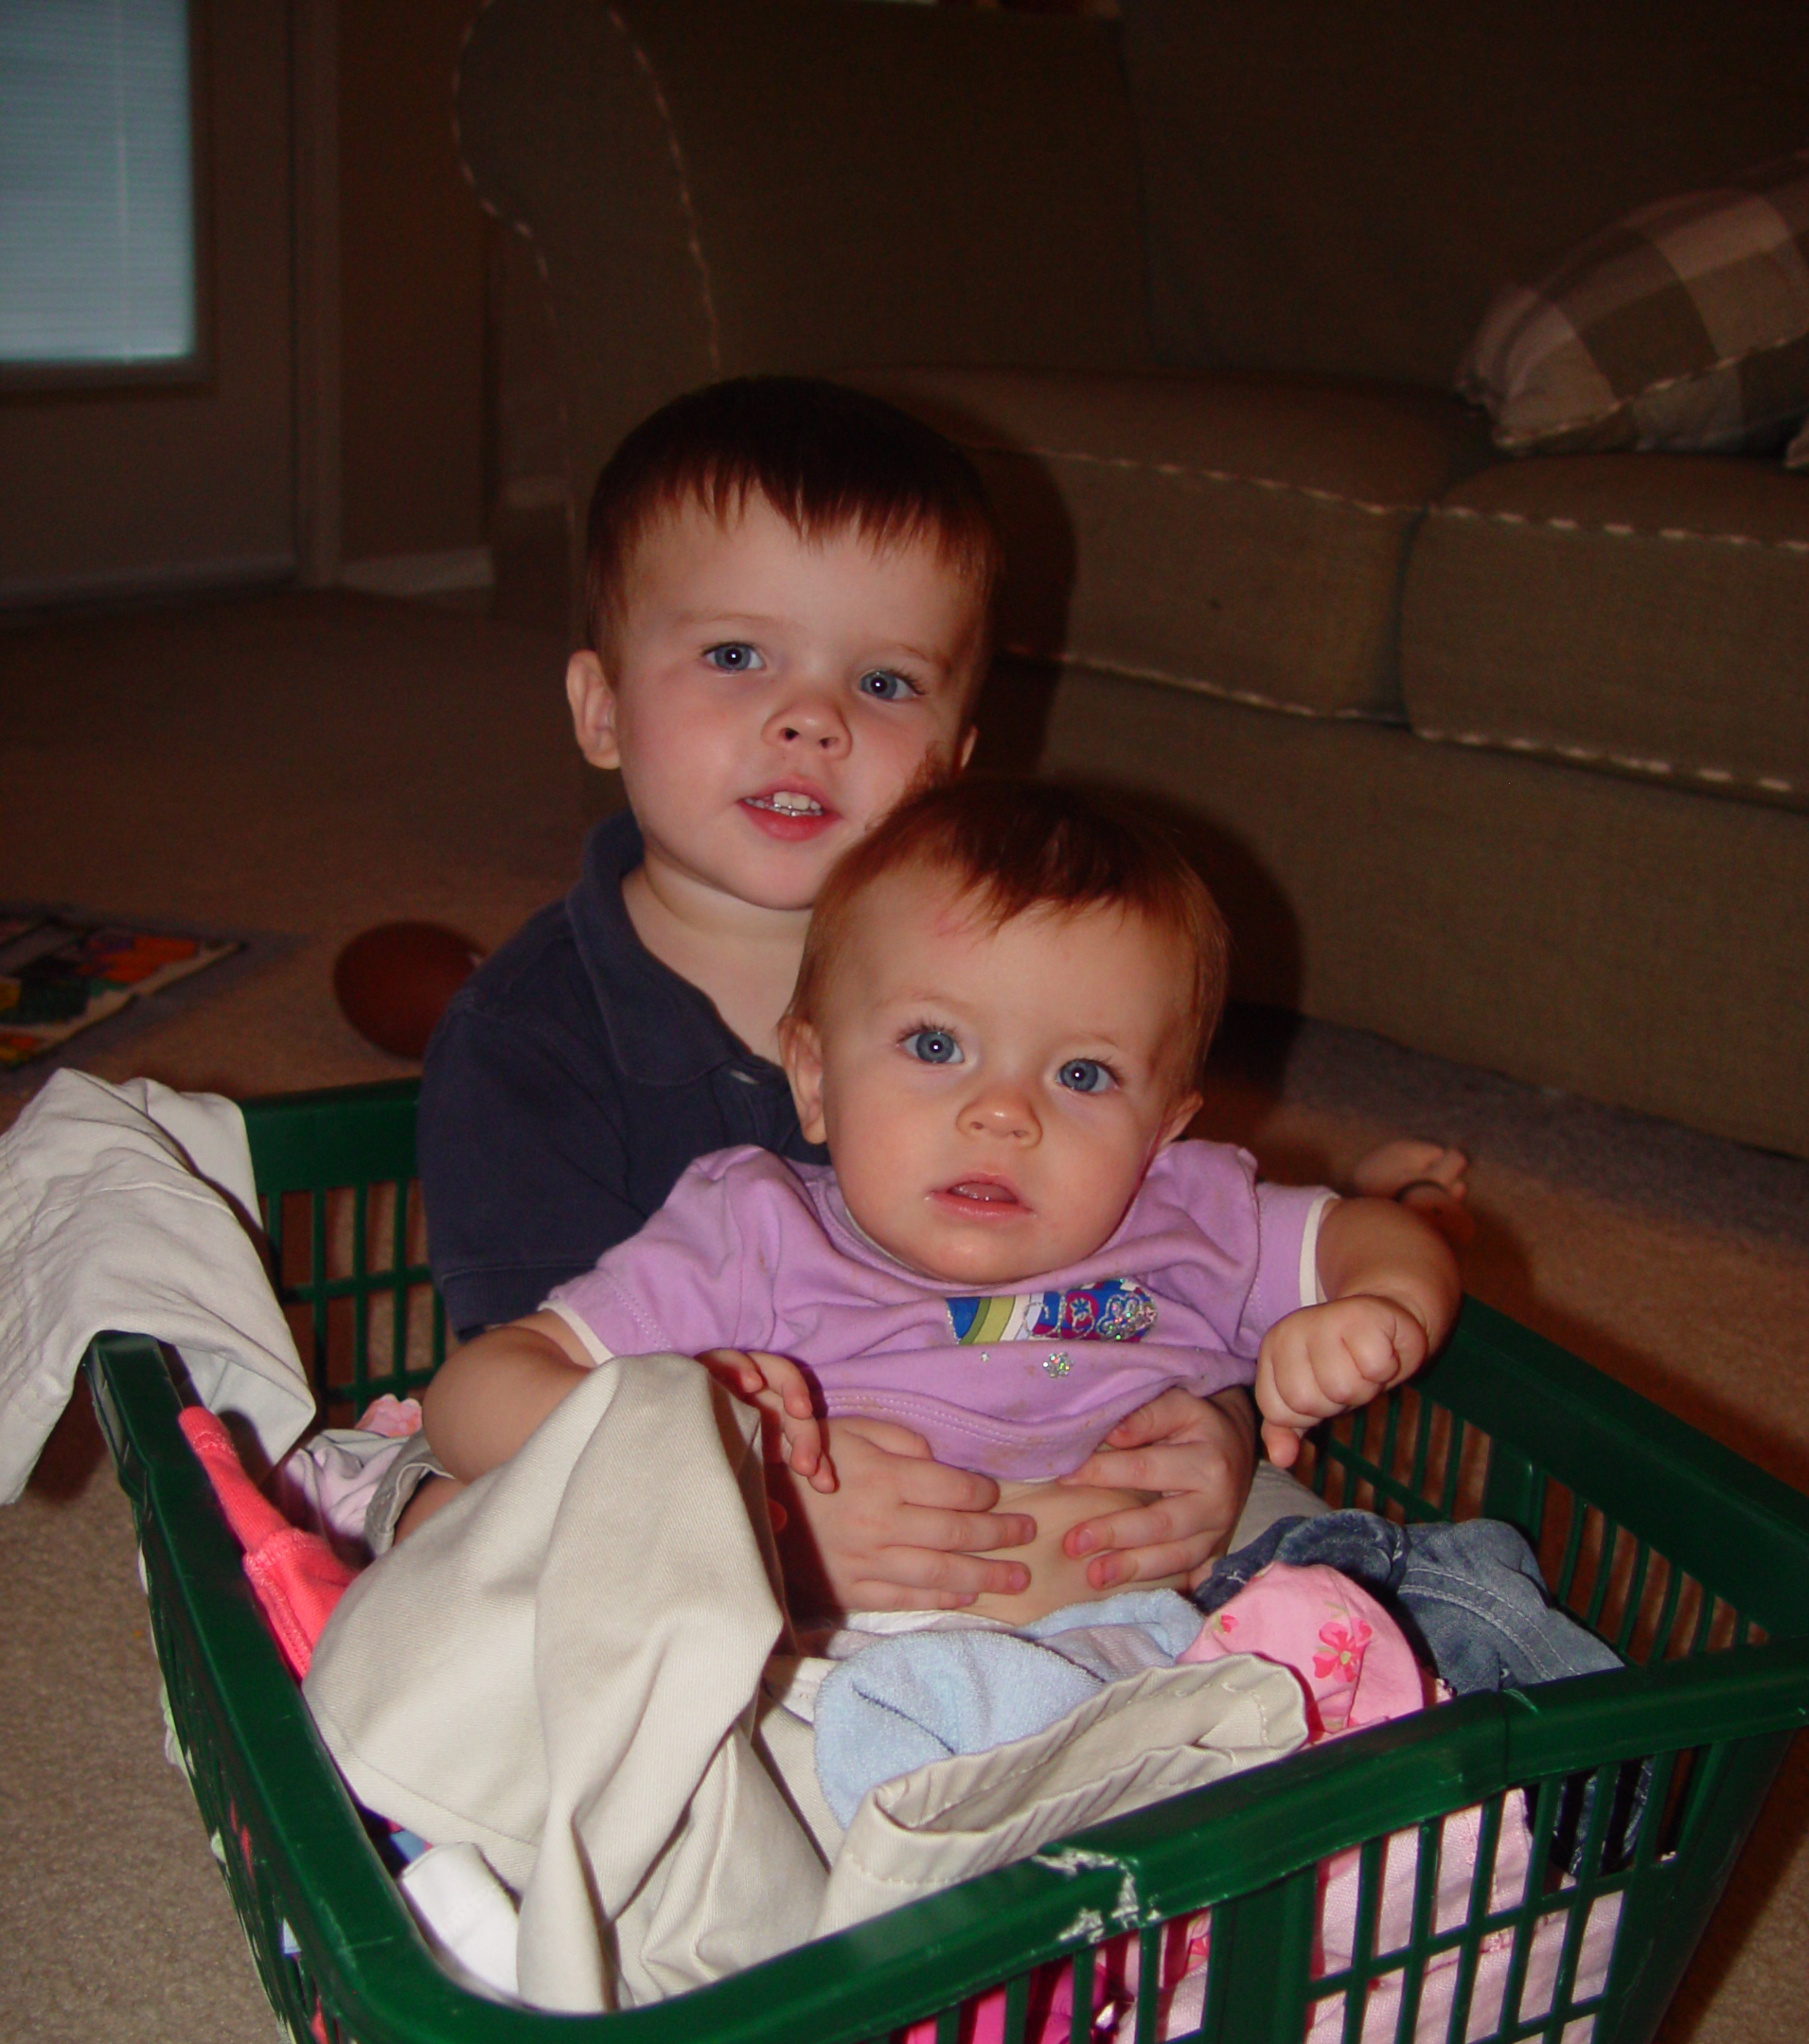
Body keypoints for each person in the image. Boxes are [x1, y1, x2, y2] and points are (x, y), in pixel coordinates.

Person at [417, 374, 1463, 1615]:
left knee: (1377, 1596)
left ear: (960, 767)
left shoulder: (1030, 992)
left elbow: (1137, 1280)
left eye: (886, 683)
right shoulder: (529, 1045)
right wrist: (757, 1502)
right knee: (450, 1541)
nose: (809, 719)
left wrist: (1218, 1425)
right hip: (720, 1540)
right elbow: (510, 1401)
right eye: (737, 655)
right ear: (600, 708)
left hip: (1062, 1538)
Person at [413, 781, 1462, 1625]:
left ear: (1164, 1128)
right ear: (814, 1082)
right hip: (809, 1676)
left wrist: (1382, 1305)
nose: (1003, 1113)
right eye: (934, 1045)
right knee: (479, 1552)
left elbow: (1376, 1239)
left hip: (1145, 1682)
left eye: (1084, 1075)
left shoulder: (1186, 1215)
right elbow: (474, 1398)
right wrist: (734, 1472)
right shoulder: (754, 1233)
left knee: (1442, 1601)